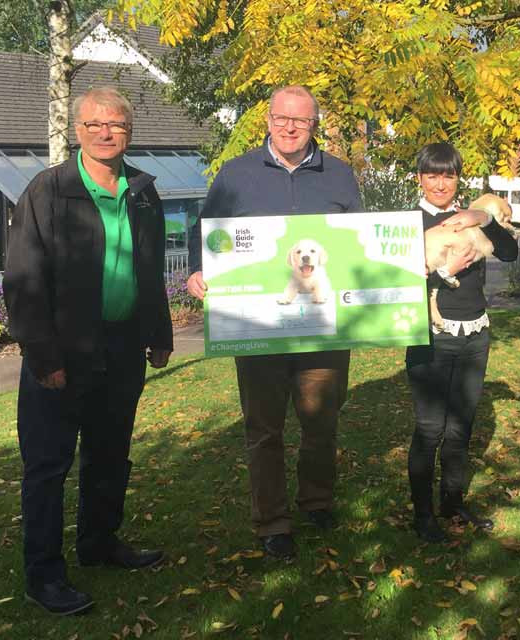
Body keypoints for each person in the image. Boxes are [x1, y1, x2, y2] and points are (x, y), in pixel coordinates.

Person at [5, 86, 173, 615]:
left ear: (129, 132)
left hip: (123, 347)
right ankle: (44, 575)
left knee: (108, 455)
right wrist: (43, 358)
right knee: (49, 467)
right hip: (63, 352)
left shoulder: (142, 192)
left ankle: (99, 543)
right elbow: (23, 280)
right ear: (77, 130)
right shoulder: (48, 191)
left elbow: (151, 269)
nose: (105, 133)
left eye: (116, 125)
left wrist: (160, 334)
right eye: (94, 124)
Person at [185, 85, 362, 559]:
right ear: (266, 119)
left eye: (300, 121)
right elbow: (204, 234)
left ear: (314, 125)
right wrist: (196, 270)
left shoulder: (340, 175)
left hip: (324, 329)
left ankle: (317, 503)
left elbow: (359, 244)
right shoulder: (236, 174)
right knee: (264, 429)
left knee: (321, 422)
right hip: (258, 329)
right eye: (282, 118)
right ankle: (272, 523)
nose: (289, 128)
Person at [408, 143, 518, 543]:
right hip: (428, 336)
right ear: (420, 177)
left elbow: (508, 252)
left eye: (449, 175)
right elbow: (395, 281)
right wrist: (443, 270)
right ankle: (423, 515)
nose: (441, 184)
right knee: (429, 428)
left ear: (458, 178)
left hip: (475, 333)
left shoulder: (470, 215)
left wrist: (483, 217)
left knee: (460, 427)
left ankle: (452, 504)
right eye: (433, 175)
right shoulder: (408, 221)